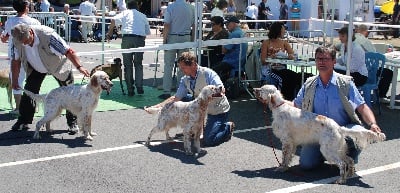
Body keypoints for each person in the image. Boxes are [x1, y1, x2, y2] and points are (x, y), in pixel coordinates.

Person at [292, 47, 382, 170]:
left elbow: (362, 106)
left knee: (359, 132)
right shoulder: (309, 83)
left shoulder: (345, 83)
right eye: (319, 59)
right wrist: (276, 102)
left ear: (334, 61)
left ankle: (348, 157)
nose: (322, 62)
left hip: (342, 128)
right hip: (318, 133)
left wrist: (372, 124)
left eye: (326, 59)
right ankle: (328, 154)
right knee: (306, 164)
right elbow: (295, 106)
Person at [9, 23, 90, 132]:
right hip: (35, 67)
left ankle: (72, 122)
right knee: (29, 91)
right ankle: (23, 120)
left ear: (31, 32)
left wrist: (79, 67)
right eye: (22, 43)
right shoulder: (16, 40)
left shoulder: (48, 35)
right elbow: (15, 61)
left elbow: (68, 51)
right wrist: (14, 81)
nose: (25, 44)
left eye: (27, 41)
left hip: (57, 65)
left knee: (70, 93)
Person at [147, 52, 234, 147]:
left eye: (183, 67)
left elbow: (222, 91)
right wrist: (156, 107)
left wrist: (207, 98)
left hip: (217, 111)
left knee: (209, 140)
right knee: (182, 100)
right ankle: (192, 127)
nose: (181, 70)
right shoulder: (185, 79)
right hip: (202, 108)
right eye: (180, 68)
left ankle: (227, 127)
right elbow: (176, 98)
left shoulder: (208, 73)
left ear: (193, 64)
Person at [0, 0, 41, 115]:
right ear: (26, 7)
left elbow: (4, 38)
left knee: (17, 80)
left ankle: (18, 108)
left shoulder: (10, 21)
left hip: (15, 55)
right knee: (33, 82)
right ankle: (34, 106)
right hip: (31, 55)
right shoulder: (34, 22)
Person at [106, 0, 150, 96]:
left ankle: (130, 89)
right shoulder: (143, 15)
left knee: (128, 65)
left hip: (127, 38)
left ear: (127, 6)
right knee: (138, 64)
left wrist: (109, 33)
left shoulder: (125, 13)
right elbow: (147, 32)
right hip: (139, 39)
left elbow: (113, 20)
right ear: (137, 6)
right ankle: (139, 86)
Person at [260, 22, 308, 100]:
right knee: (284, 78)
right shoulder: (266, 43)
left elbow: (292, 55)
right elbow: (263, 61)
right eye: (283, 30)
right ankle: (283, 100)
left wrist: (290, 56)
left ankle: (292, 99)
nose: (284, 32)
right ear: (277, 31)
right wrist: (271, 57)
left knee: (296, 76)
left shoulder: (284, 42)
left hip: (282, 68)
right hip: (270, 69)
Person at [159, 0, 195, 99]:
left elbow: (166, 25)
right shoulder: (191, 7)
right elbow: (194, 25)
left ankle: (167, 91)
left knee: (168, 65)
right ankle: (182, 90)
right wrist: (192, 40)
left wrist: (164, 41)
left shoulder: (171, 7)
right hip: (186, 37)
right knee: (184, 66)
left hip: (172, 37)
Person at [355, 25, 394, 102]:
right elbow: (374, 55)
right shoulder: (366, 41)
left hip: (355, 70)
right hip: (367, 71)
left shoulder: (351, 40)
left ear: (357, 30)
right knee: (388, 73)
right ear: (366, 32)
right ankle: (381, 95)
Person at [212, 16, 247, 84]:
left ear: (234, 23)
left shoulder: (234, 34)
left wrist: (223, 42)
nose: (226, 26)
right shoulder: (241, 32)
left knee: (212, 70)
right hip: (240, 61)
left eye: (228, 23)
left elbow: (224, 50)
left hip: (232, 61)